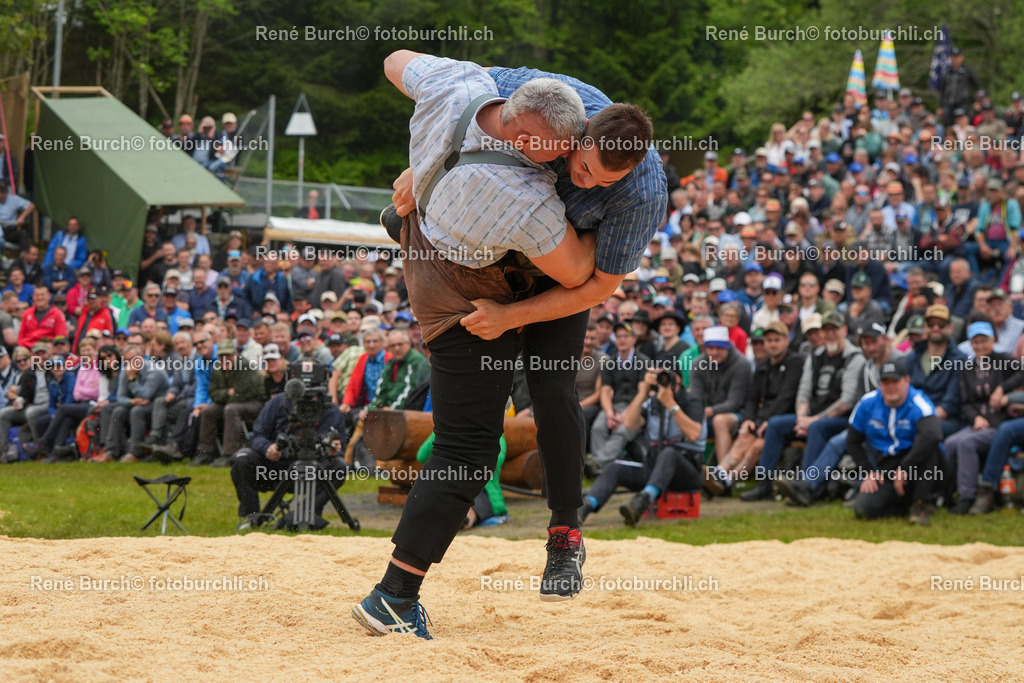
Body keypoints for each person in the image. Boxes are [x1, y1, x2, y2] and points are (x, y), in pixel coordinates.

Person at [355, 51, 655, 639]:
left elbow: (394, 59)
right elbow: (576, 271)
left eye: (587, 171)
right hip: (465, 287)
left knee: (549, 386)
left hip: (480, 268)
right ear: (525, 133)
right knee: (467, 449)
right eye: (567, 157)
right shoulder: (523, 197)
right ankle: (393, 596)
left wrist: (426, 164)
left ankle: (564, 532)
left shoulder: (462, 83)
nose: (572, 172)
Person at [741, 311, 866, 501]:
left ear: (845, 330)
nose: (830, 333)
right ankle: (764, 483)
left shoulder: (854, 358)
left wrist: (813, 420)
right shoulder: (815, 355)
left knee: (817, 427)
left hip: (843, 420)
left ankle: (805, 486)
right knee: (775, 424)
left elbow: (847, 401)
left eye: (835, 329)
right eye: (826, 329)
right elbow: (804, 391)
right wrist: (801, 418)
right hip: (812, 417)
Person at [579, 365, 705, 526]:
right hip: (655, 468)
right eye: (658, 374)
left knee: (669, 453)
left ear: (678, 378)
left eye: (666, 375)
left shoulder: (691, 400)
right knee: (614, 468)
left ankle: (642, 501)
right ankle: (587, 506)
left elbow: (694, 434)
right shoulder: (652, 401)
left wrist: (670, 404)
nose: (662, 379)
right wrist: (643, 392)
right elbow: (630, 424)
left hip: (686, 471)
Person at [230, 368, 347, 531]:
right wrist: (268, 448)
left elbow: (340, 447)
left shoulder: (330, 409)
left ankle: (303, 513)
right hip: (276, 466)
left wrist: (334, 450)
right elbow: (258, 435)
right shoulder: (279, 402)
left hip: (313, 469)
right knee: (242, 460)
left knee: (339, 467)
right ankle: (252, 516)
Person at [847, 359, 944, 525]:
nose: (890, 386)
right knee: (864, 509)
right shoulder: (867, 403)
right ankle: (903, 504)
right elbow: (852, 441)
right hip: (886, 464)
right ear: (880, 384)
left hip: (919, 462)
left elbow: (933, 434)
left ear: (906, 380)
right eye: (886, 382)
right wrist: (868, 471)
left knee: (928, 447)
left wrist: (906, 467)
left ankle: (921, 504)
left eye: (895, 381)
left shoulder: (918, 402)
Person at [944, 322, 1024, 513]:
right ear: (970, 344)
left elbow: (1022, 372)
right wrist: (975, 418)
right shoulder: (968, 367)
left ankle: (968, 497)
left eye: (984, 341)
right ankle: (948, 492)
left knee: (967, 443)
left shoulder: (1002, 360)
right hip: (978, 422)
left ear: (993, 340)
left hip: (998, 422)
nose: (980, 346)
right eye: (976, 342)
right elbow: (965, 402)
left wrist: (1003, 390)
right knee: (951, 443)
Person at [713, 321, 801, 489]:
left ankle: (729, 481)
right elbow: (752, 398)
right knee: (744, 436)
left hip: (785, 418)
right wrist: (748, 419)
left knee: (757, 446)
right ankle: (720, 472)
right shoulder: (763, 366)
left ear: (786, 340)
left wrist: (766, 421)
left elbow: (786, 398)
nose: (773, 344)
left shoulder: (795, 363)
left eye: (777, 340)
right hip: (764, 417)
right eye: (769, 340)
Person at [193, 338, 266, 467]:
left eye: (228, 355)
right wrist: (227, 392)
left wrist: (226, 394)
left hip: (256, 404)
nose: (225, 359)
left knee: (231, 409)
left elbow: (242, 395)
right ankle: (205, 452)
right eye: (222, 356)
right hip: (231, 403)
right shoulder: (217, 368)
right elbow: (213, 393)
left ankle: (229, 454)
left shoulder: (244, 366)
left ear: (235, 354)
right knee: (209, 410)